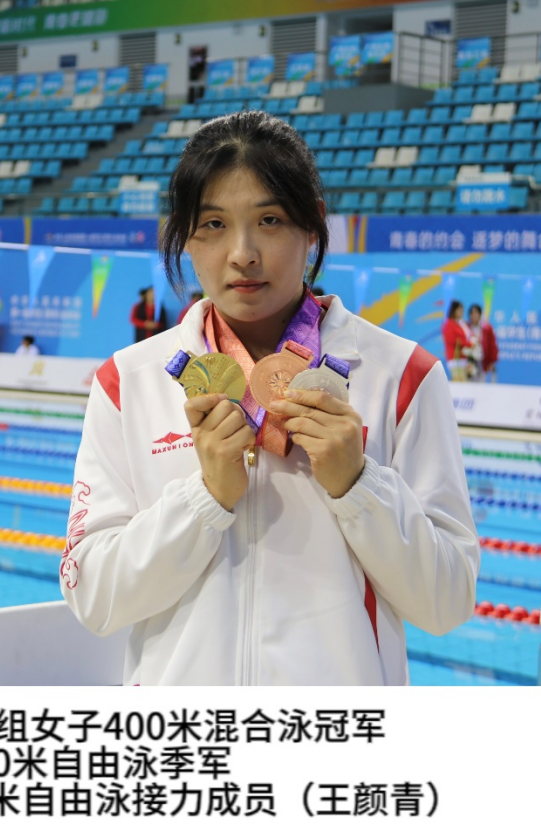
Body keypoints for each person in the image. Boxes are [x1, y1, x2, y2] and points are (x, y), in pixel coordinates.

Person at [60, 111, 479, 685]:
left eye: (270, 220)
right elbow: (94, 598)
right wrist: (204, 500)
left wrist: (359, 486)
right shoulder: (127, 384)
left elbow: (448, 602)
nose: (243, 253)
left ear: (313, 227)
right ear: (185, 236)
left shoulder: (403, 378)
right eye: (213, 224)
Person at [440, 300, 477, 381]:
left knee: (465, 383)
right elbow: (454, 341)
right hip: (455, 359)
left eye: (462, 310)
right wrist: (469, 344)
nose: (461, 312)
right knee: (459, 383)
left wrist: (473, 342)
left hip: (464, 358)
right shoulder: (449, 324)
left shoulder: (461, 323)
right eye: (459, 310)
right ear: (454, 310)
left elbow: (468, 336)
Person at [467, 303, 498, 383]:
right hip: (469, 361)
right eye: (472, 313)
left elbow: (492, 345)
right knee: (469, 382)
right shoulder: (466, 327)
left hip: (482, 360)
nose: (474, 315)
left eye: (476, 313)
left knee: (481, 381)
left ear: (480, 314)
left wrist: (491, 361)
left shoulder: (486, 328)